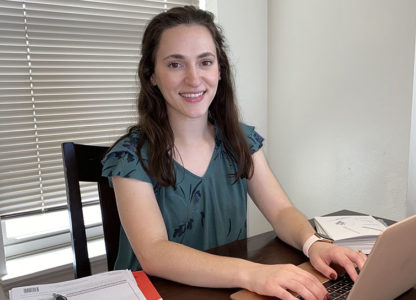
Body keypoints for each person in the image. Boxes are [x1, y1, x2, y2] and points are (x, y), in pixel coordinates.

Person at [101, 6, 366, 300]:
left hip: (227, 290)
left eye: (205, 62)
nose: (193, 78)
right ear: (151, 75)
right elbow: (154, 252)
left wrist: (313, 244)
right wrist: (254, 274)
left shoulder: (239, 141)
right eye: (175, 64)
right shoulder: (130, 157)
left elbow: (280, 211)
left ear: (219, 70)